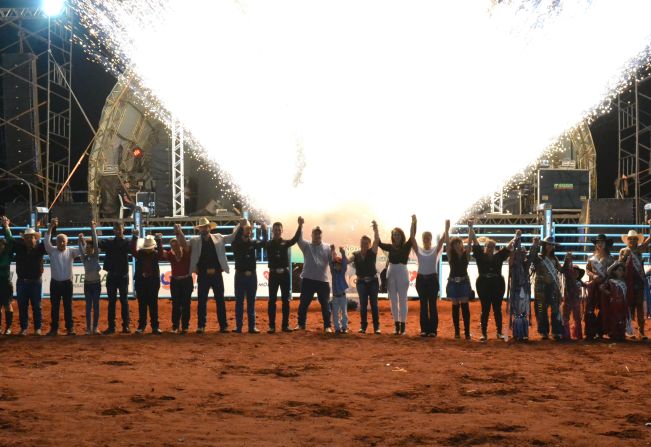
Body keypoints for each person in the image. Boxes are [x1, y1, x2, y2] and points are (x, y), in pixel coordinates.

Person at [188, 217, 240, 333]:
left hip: (215, 274)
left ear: (209, 228)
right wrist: (178, 234)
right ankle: (201, 325)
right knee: (202, 301)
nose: (203, 229)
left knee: (219, 300)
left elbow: (231, 238)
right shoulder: (195, 240)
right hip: (204, 275)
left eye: (205, 227)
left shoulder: (218, 237)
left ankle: (223, 325)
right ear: (199, 229)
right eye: (201, 228)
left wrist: (239, 226)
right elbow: (184, 244)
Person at [470, 225, 514, 341]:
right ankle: (484, 333)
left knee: (497, 309)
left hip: (497, 285)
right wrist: (471, 228)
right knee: (485, 309)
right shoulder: (480, 255)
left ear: (495, 248)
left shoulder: (498, 256)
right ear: (484, 247)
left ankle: (499, 332)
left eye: (492, 246)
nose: (490, 248)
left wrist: (517, 237)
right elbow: (474, 242)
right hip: (484, 284)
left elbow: (509, 247)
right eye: (488, 246)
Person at [375, 215, 416, 335]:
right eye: (394, 234)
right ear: (392, 236)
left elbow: (412, 235)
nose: (396, 236)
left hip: (402, 271)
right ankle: (396, 325)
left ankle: (403, 325)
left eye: (398, 234)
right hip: (391, 272)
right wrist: (376, 229)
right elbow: (378, 243)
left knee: (403, 299)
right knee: (393, 300)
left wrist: (413, 222)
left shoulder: (407, 245)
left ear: (401, 236)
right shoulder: (390, 247)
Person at [411, 220, 449, 337]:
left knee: (432, 305)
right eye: (424, 237)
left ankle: (433, 330)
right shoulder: (418, 249)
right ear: (422, 238)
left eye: (428, 237)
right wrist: (413, 223)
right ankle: (424, 330)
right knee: (423, 305)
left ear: (431, 238)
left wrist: (447, 227)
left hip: (432, 279)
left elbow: (443, 239)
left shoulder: (435, 249)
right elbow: (412, 237)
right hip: (421, 280)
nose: (426, 238)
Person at [44, 218, 82, 336]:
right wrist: (51, 227)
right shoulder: (52, 250)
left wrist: (81, 241)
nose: (61, 243)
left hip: (67, 283)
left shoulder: (71, 252)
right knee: (54, 307)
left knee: (68, 307)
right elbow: (46, 240)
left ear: (67, 242)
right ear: (56, 242)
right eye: (59, 241)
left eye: (63, 241)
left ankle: (70, 328)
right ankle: (54, 329)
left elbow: (82, 250)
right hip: (55, 283)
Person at [264, 218, 302, 333]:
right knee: (272, 300)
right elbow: (260, 243)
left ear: (282, 231)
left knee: (286, 300)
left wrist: (300, 225)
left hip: (285, 274)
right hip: (274, 274)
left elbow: (295, 239)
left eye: (279, 230)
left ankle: (285, 326)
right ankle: (271, 326)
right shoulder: (268, 243)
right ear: (273, 231)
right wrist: (264, 230)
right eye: (275, 230)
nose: (277, 231)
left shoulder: (285, 243)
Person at [231, 219, 268, 334]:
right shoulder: (236, 243)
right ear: (241, 231)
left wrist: (264, 231)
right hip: (240, 275)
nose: (249, 231)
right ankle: (239, 327)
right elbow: (236, 237)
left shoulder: (253, 243)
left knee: (251, 302)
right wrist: (241, 226)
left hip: (251, 276)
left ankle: (251, 327)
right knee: (239, 302)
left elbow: (263, 242)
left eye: (250, 230)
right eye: (246, 229)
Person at [295, 223, 333, 333]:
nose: (317, 235)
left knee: (325, 305)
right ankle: (301, 324)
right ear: (311, 235)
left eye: (319, 233)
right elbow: (298, 238)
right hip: (308, 280)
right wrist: (300, 225)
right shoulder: (306, 245)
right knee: (303, 304)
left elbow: (332, 263)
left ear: (321, 235)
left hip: (323, 281)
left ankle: (327, 326)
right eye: (315, 233)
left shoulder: (328, 247)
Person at [11, 223, 45, 336]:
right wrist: (6, 227)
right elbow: (9, 238)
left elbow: (50, 240)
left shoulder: (40, 248)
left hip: (35, 281)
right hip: (22, 281)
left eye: (32, 237)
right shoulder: (19, 247)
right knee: (22, 306)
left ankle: (37, 328)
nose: (30, 239)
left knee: (37, 306)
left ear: (36, 239)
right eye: (27, 237)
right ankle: (24, 328)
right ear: (24, 239)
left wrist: (52, 228)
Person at [618, 226, 651, 340]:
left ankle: (641, 331)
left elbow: (649, 240)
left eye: (634, 239)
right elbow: (620, 265)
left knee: (639, 307)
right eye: (630, 239)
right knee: (628, 307)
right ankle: (629, 330)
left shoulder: (640, 249)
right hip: (628, 282)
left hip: (639, 282)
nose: (632, 241)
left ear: (637, 240)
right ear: (627, 240)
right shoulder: (623, 251)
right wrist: (624, 257)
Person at [98, 222, 131, 334]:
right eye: (116, 229)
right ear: (113, 230)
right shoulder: (109, 241)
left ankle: (125, 326)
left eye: (119, 229)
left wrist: (136, 236)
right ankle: (112, 326)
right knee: (112, 302)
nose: (118, 231)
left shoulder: (127, 242)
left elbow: (135, 247)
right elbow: (97, 243)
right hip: (112, 275)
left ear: (123, 229)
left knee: (124, 301)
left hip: (122, 276)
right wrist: (92, 232)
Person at [348, 223, 381, 334]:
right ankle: (363, 327)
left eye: (366, 243)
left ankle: (376, 327)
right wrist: (340, 256)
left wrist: (376, 229)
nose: (364, 244)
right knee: (363, 305)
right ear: (360, 243)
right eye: (362, 242)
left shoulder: (373, 252)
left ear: (370, 244)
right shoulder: (355, 254)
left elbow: (377, 240)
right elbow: (348, 261)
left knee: (374, 305)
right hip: (361, 282)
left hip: (373, 282)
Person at [160, 224, 192, 334]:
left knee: (186, 304)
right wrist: (159, 242)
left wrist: (179, 232)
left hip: (186, 280)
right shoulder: (170, 254)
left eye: (176, 245)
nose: (174, 247)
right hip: (175, 281)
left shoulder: (186, 252)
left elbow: (183, 242)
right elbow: (161, 254)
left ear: (179, 244)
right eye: (172, 246)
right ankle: (175, 326)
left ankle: (185, 326)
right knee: (176, 305)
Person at [131, 231, 164, 334]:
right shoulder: (141, 253)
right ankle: (143, 325)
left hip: (152, 281)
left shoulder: (153, 254)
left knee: (152, 304)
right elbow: (132, 250)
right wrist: (135, 237)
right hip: (142, 282)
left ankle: (153, 326)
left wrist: (159, 240)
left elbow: (161, 253)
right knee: (143, 304)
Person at [446, 222, 473, 340]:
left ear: (461, 244)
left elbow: (470, 243)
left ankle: (467, 332)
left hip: (462, 282)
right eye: (455, 243)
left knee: (465, 307)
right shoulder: (450, 255)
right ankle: (457, 332)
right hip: (453, 282)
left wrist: (470, 228)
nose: (457, 245)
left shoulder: (466, 254)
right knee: (455, 306)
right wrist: (446, 229)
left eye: (459, 243)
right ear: (452, 246)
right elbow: (446, 243)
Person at [532, 236, 563, 340]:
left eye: (551, 245)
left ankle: (556, 331)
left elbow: (561, 270)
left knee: (555, 308)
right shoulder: (539, 257)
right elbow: (531, 258)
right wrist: (534, 246)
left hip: (553, 286)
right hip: (541, 286)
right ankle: (543, 331)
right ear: (544, 245)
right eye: (548, 244)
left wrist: (568, 260)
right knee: (541, 309)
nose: (550, 246)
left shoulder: (555, 258)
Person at [585, 234, 615, 340]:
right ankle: (590, 331)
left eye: (602, 242)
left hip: (605, 285)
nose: (600, 244)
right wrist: (593, 275)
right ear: (596, 244)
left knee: (604, 307)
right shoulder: (591, 258)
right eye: (598, 242)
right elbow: (587, 270)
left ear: (606, 244)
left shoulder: (611, 259)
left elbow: (612, 273)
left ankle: (601, 331)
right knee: (590, 307)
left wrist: (605, 280)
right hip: (593, 284)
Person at [508, 230, 535, 341]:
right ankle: (518, 333)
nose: (523, 255)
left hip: (524, 290)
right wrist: (517, 238)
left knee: (523, 313)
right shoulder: (513, 264)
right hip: (517, 290)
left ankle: (523, 333)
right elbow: (514, 252)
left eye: (524, 254)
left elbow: (532, 255)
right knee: (518, 313)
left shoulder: (526, 265)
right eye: (521, 253)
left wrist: (535, 245)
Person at [79, 221, 101, 335]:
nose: (88, 248)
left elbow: (96, 243)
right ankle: (88, 328)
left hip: (96, 284)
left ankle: (95, 327)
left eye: (90, 247)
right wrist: (80, 240)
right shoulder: (84, 258)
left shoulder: (96, 256)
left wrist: (93, 228)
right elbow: (81, 249)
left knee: (96, 306)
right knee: (88, 307)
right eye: (87, 247)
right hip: (88, 285)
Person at [600, 261, 628, 341]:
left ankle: (621, 333)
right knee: (614, 318)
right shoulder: (611, 281)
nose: (621, 272)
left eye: (622, 270)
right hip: (614, 303)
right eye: (619, 270)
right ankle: (613, 333)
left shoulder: (624, 281)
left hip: (623, 303)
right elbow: (602, 287)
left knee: (622, 318)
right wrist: (610, 294)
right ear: (614, 271)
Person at [560, 253, 585, 340]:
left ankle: (570, 334)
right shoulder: (569, 281)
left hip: (574, 302)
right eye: (574, 272)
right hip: (569, 301)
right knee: (567, 317)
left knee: (576, 317)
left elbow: (586, 285)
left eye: (577, 272)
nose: (575, 273)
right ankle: (568, 334)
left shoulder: (579, 282)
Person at [0, 217, 14, 335]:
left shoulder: (7, 254)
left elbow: (10, 240)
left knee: (7, 305)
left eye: (1, 245)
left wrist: (6, 226)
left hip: (5, 284)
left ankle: (8, 327)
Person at [330, 246, 349, 334]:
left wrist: (343, 253)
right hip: (335, 297)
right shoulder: (333, 272)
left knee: (344, 313)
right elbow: (330, 261)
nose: (336, 266)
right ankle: (337, 328)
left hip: (342, 296)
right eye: (335, 265)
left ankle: (344, 327)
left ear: (341, 266)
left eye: (338, 265)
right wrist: (333, 250)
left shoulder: (342, 272)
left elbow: (345, 263)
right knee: (335, 313)